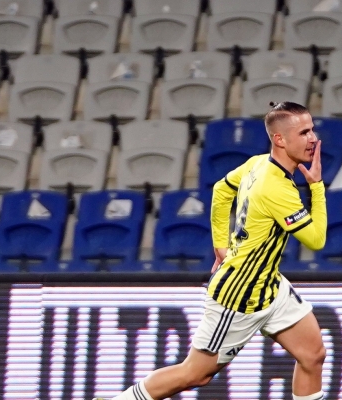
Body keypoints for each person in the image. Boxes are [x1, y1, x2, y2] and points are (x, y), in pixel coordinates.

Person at [95, 101, 327, 400]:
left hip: (270, 286)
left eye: (312, 130)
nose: (313, 138)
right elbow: (316, 240)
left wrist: (220, 245)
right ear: (279, 139)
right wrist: (316, 186)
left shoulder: (257, 163)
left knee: (313, 355)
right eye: (304, 132)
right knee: (196, 374)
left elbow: (221, 189)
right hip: (239, 295)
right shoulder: (276, 189)